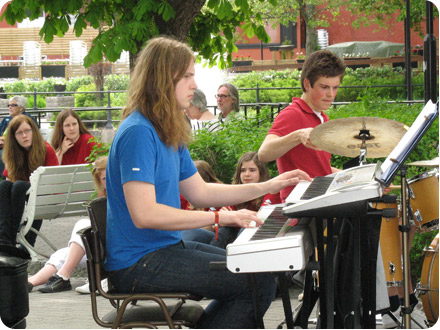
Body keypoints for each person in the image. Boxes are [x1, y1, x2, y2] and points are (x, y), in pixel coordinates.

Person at [105, 36, 310, 329]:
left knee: (257, 275)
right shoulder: (138, 132)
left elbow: (199, 192)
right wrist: (222, 215)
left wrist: (269, 185)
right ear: (163, 79)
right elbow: (145, 214)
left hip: (163, 250)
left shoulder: (166, 130)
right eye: (187, 76)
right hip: (139, 263)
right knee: (255, 284)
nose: (194, 84)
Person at [258, 49, 345, 202]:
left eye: (335, 87)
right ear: (307, 84)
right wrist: (298, 135)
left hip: (319, 200)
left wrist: (356, 177)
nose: (331, 94)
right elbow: (264, 154)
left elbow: (319, 168)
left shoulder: (323, 118)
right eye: (324, 87)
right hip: (301, 207)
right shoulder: (292, 114)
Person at [28, 156, 108, 294]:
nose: (109, 181)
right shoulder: (104, 196)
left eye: (110, 176)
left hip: (114, 249)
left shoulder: (125, 193)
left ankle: (63, 276)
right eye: (104, 179)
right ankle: (30, 283)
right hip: (101, 248)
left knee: (83, 224)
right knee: (62, 253)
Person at [0, 115, 58, 251]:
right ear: (13, 137)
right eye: (19, 133)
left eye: (27, 131)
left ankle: (12, 237)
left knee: (20, 185)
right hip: (23, 194)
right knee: (4, 186)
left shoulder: (46, 149)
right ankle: (4, 238)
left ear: (34, 131)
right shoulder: (12, 153)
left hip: (44, 195)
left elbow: (52, 182)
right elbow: (8, 182)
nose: (24, 136)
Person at [0, 95, 38, 177]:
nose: (10, 107)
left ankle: (6, 177)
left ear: (21, 107)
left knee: (2, 154)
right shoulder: (7, 119)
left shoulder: (27, 120)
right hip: (4, 145)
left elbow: (34, 136)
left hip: (19, 147)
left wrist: (6, 142)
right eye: (9, 105)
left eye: (13, 105)